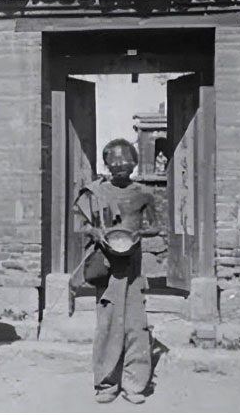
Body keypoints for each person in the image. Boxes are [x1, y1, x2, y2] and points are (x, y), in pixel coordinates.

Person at [73, 138, 159, 404]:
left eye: (126, 159)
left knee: (136, 324)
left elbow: (155, 227)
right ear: (106, 162)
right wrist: (95, 231)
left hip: (131, 264)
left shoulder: (143, 193)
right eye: (114, 159)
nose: (120, 164)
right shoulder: (95, 192)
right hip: (107, 264)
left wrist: (138, 233)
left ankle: (135, 383)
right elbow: (79, 224)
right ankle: (106, 382)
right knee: (108, 323)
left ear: (135, 162)